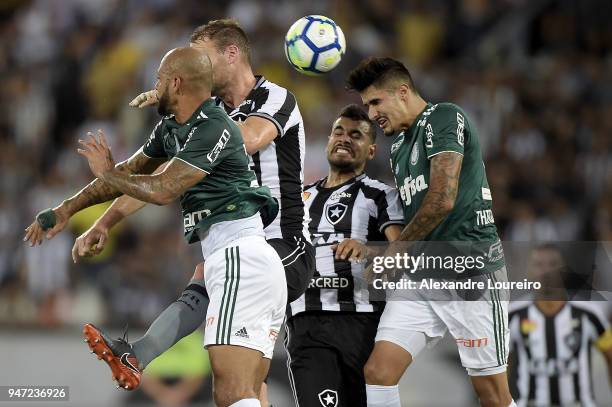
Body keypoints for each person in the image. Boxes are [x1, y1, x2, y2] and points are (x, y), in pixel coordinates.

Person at [24, 19, 313, 401]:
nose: (200, 64)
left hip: (281, 241)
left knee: (231, 381)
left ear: (231, 54)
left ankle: (138, 355)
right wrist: (102, 219)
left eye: (202, 57)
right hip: (240, 251)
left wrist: (182, 105)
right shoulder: (201, 120)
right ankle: (137, 355)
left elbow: (244, 141)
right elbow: (156, 176)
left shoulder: (270, 99)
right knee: (249, 383)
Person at [346, 57, 516, 407]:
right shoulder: (398, 148)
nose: (372, 113)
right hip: (424, 277)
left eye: (376, 102)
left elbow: (441, 200)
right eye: (367, 105)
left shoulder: (443, 116)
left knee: (493, 396)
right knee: (378, 372)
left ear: (403, 92)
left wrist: (395, 254)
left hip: (471, 272)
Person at [286, 104, 403, 407]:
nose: (345, 139)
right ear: (328, 140)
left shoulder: (381, 195)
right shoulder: (298, 199)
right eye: (339, 132)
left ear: (372, 151)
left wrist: (369, 250)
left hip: (361, 323)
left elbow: (405, 255)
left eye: (357, 135)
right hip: (305, 323)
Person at [508, 244, 612, 406]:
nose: (547, 271)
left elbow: (610, 354)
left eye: (552, 264)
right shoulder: (512, 314)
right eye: (539, 264)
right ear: (529, 271)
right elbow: (497, 366)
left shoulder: (589, 313)